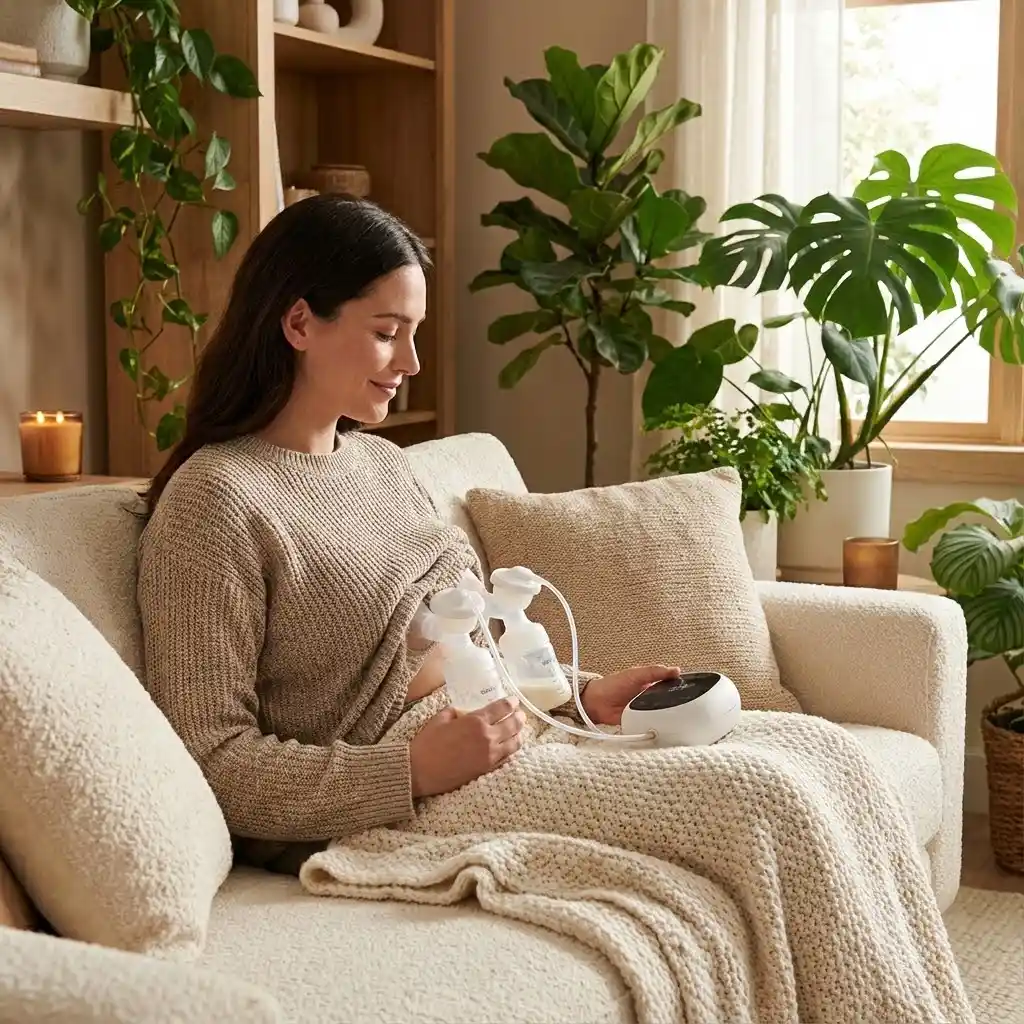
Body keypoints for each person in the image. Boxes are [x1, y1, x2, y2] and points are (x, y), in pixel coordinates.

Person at [136, 195, 676, 873]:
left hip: (513, 733)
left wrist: (579, 696)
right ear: (299, 321)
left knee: (808, 759)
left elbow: (463, 647)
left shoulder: (384, 464)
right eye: (389, 332)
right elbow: (212, 758)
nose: (413, 362)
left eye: (413, 332)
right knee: (752, 802)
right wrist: (409, 772)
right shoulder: (215, 501)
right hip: (408, 797)